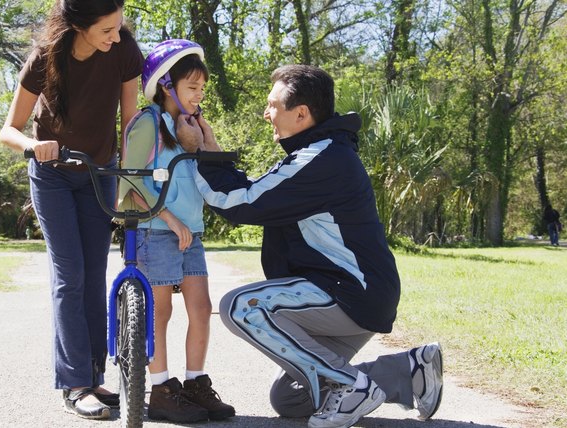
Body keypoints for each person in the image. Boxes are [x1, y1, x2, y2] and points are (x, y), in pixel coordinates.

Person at [176, 64, 443, 428]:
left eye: (272, 105)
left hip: (350, 292)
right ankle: (410, 371)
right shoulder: (317, 152)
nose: (266, 113)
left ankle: (353, 387)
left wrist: (197, 154)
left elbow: (241, 204)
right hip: (354, 295)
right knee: (290, 399)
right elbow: (259, 192)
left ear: (301, 113)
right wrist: (213, 153)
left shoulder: (322, 158)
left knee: (241, 307)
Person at [0, 0, 143, 420]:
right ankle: (75, 383)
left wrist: (130, 181)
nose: (116, 36)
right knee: (70, 276)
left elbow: (130, 121)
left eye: (118, 27)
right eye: (107, 30)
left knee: (95, 273)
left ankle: (94, 375)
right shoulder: (44, 59)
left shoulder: (124, 50)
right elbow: (9, 129)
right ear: (79, 26)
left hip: (100, 172)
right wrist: (32, 146)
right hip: (53, 175)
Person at [117, 39, 235, 423]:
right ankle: (162, 390)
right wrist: (168, 217)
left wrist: (206, 139)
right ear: (166, 86)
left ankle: (195, 383)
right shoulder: (148, 123)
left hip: (192, 232)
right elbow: (132, 179)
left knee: (201, 308)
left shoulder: (193, 125)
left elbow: (214, 172)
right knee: (160, 311)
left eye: (202, 88)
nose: (199, 96)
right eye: (192, 88)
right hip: (157, 229)